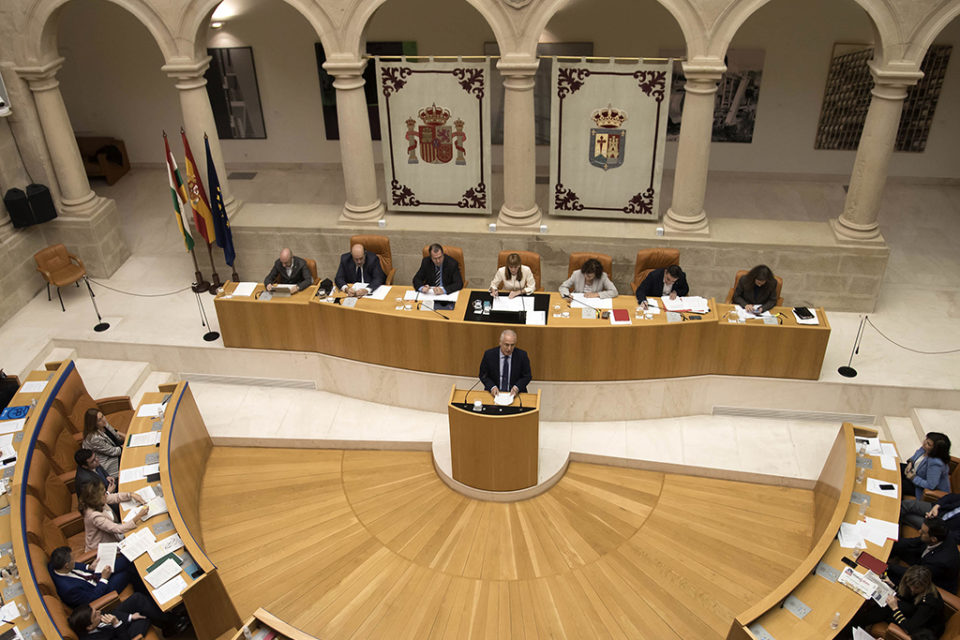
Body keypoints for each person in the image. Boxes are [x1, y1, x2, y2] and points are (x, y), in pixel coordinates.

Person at [848, 565, 945, 639]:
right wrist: (892, 586)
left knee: (886, 609)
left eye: (915, 587)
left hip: (923, 630)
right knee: (886, 605)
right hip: (916, 612)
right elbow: (911, 599)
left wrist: (895, 608)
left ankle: (855, 624)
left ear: (924, 585)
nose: (912, 589)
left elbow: (910, 627)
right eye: (910, 585)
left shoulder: (929, 604)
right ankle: (859, 620)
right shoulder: (923, 589)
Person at [68, 593, 189, 639]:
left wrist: (130, 617)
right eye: (96, 615)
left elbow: (109, 613)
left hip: (114, 625)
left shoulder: (89, 618)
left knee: (137, 599)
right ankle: (174, 622)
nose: (100, 612)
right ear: (89, 627)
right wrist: (117, 624)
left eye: (96, 610)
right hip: (122, 635)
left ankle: (169, 624)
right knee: (144, 614)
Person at [888, 518, 959, 594]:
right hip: (925, 558)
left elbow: (916, 574)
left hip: (928, 581)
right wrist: (889, 542)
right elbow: (912, 542)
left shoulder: (940, 562)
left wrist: (888, 566)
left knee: (889, 576)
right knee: (898, 548)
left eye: (923, 532)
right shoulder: (939, 535)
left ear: (933, 539)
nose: (919, 531)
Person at [80, 480, 148, 552]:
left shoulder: (97, 500)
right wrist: (138, 516)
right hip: (103, 548)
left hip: (113, 532)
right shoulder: (95, 516)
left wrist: (131, 495)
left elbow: (115, 497)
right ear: (97, 498)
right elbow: (118, 529)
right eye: (104, 494)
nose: (107, 494)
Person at [478, 329, 532, 398]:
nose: (509, 348)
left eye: (512, 345)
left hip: (516, 393)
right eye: (506, 345)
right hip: (494, 393)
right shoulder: (489, 355)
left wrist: (516, 387)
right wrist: (492, 387)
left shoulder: (522, 355)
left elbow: (527, 376)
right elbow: (483, 375)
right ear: (500, 343)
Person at [904, 432, 951, 500]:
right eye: (926, 440)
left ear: (935, 450)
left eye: (928, 444)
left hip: (921, 488)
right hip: (914, 472)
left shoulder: (936, 464)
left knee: (899, 485)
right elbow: (918, 453)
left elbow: (931, 485)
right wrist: (911, 462)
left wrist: (913, 478)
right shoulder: (925, 448)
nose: (924, 443)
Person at [82, 408, 125, 479]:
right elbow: (114, 452)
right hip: (108, 462)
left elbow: (116, 435)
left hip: (115, 450)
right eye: (99, 420)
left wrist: (127, 437)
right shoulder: (94, 438)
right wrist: (127, 445)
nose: (103, 420)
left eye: (102, 416)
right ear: (94, 424)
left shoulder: (104, 424)